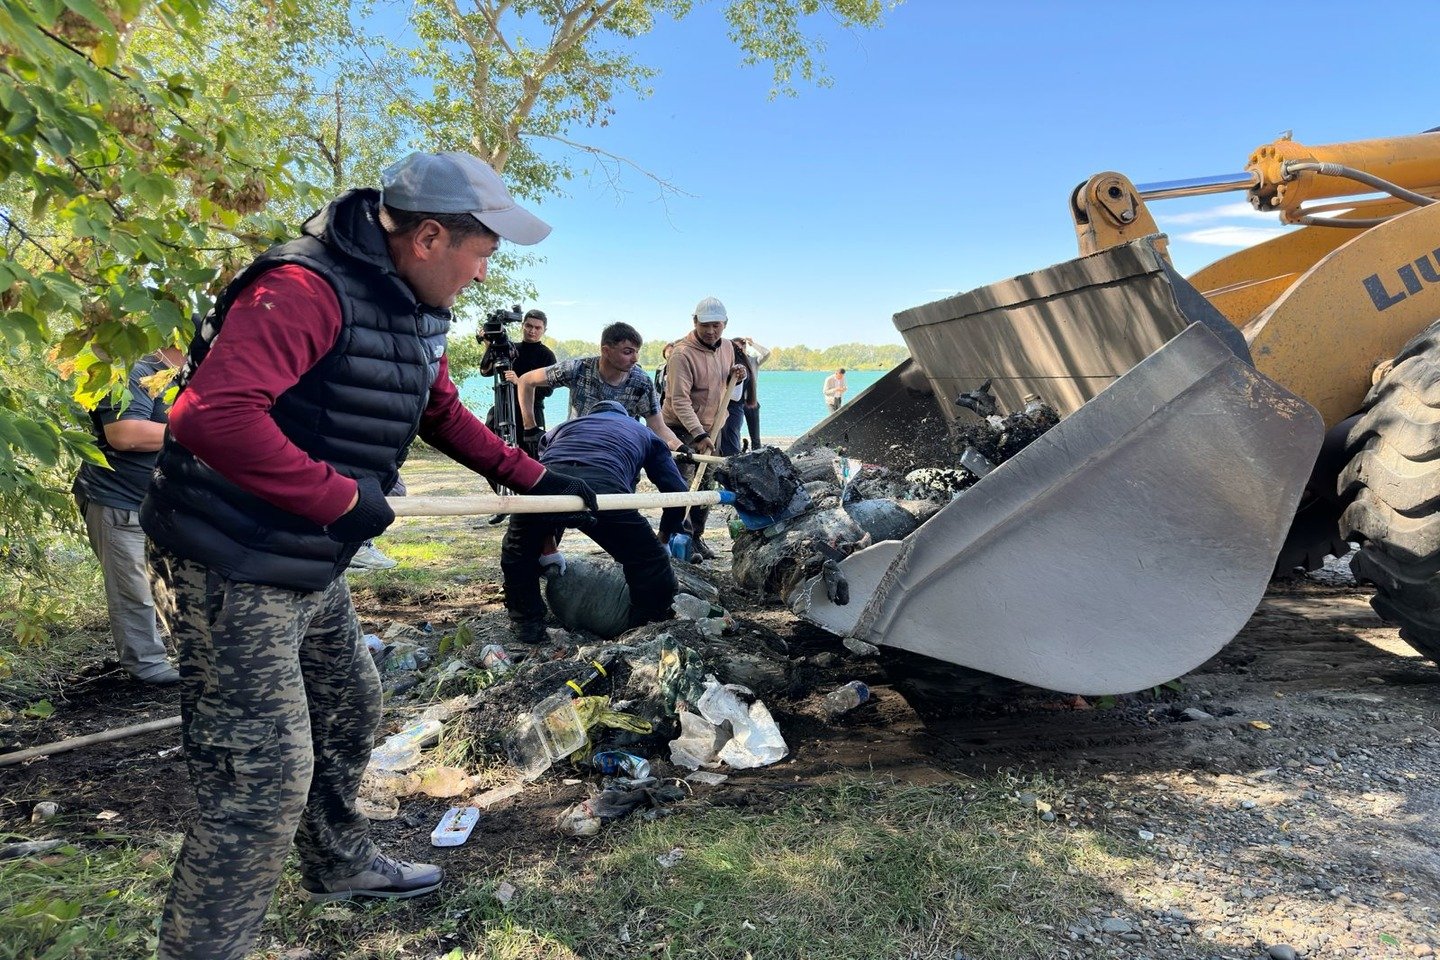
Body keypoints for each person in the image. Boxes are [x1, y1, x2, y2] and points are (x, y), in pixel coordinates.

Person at [139, 151, 599, 960]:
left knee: (351, 701)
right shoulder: (301, 289)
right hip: (227, 557)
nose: (483, 274)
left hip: (307, 556)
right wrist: (342, 498)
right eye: (481, 253)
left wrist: (535, 477)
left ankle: (339, 860)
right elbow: (211, 420)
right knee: (259, 783)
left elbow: (438, 409)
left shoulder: (415, 306)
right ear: (427, 237)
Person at [501, 400, 687, 640]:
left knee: (518, 551)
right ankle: (646, 625)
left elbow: (546, 470)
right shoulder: (644, 432)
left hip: (548, 485)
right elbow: (677, 492)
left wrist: (547, 547)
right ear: (625, 415)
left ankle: (527, 623)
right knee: (649, 561)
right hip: (603, 489)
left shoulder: (560, 428)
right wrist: (662, 540)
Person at [71, 347, 186, 685]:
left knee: (175, 583)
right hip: (119, 498)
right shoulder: (134, 367)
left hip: (168, 501)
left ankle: (190, 657)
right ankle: (148, 667)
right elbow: (125, 434)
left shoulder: (193, 368)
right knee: (133, 589)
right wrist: (202, 429)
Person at [661, 296, 748, 559]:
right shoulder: (681, 354)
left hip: (712, 429)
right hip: (681, 430)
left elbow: (724, 385)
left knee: (706, 486)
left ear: (725, 324)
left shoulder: (728, 348)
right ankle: (678, 538)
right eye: (705, 325)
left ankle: (696, 537)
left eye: (717, 326)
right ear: (695, 321)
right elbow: (678, 400)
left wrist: (736, 372)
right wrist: (698, 435)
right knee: (682, 486)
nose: (711, 332)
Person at [515, 321, 682, 450]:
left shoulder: (642, 382)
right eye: (628, 352)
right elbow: (526, 381)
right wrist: (530, 428)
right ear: (606, 351)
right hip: (577, 450)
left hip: (621, 454)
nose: (635, 359)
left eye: (637, 351)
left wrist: (680, 447)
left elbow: (658, 426)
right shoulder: (577, 369)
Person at [479, 307, 556, 444]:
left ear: (544, 330)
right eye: (529, 326)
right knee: (492, 452)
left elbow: (548, 390)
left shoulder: (547, 355)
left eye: (538, 328)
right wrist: (489, 345)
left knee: (529, 458)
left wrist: (520, 381)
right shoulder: (509, 348)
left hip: (531, 414)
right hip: (503, 410)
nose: (532, 331)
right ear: (523, 325)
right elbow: (486, 372)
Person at [719, 336, 766, 455]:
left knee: (736, 440)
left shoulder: (748, 363)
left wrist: (753, 344)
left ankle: (755, 453)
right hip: (735, 406)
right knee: (731, 438)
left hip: (740, 405)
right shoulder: (731, 364)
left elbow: (735, 396)